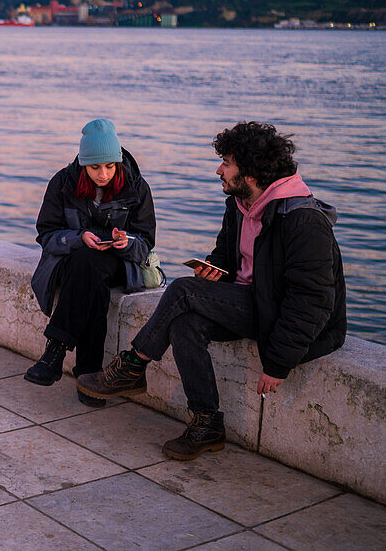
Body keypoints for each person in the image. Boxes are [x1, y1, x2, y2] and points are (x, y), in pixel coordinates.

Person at [78, 121, 346, 460]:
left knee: (182, 291)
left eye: (227, 163)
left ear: (249, 172)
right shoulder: (241, 204)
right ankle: (207, 423)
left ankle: (132, 365)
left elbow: (313, 302)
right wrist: (214, 270)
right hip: (252, 301)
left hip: (282, 316)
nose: (219, 169)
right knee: (184, 324)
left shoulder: (301, 220)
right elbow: (227, 256)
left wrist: (278, 363)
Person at [26, 119, 156, 406]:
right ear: (83, 164)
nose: (103, 174)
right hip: (73, 264)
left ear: (118, 162)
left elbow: (146, 243)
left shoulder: (136, 187)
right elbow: (45, 234)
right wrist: (77, 238)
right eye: (95, 167)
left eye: (110, 166)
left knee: (91, 267)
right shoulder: (62, 183)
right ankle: (89, 378)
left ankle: (56, 351)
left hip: (118, 264)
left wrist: (127, 243)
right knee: (89, 273)